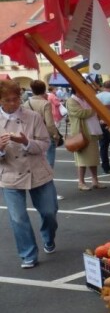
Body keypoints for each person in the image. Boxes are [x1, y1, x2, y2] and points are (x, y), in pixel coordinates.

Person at [0, 80, 58, 268]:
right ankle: (28, 254)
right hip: (10, 173)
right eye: (7, 100)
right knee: (18, 217)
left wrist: (26, 142)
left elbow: (44, 143)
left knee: (49, 212)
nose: (13, 103)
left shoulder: (32, 116)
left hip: (37, 170)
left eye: (16, 99)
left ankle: (48, 237)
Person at [66, 88, 107, 190]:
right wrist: (95, 109)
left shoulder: (86, 99)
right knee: (82, 160)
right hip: (81, 134)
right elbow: (80, 113)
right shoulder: (71, 101)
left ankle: (95, 181)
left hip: (92, 131)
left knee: (93, 159)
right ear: (76, 90)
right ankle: (81, 182)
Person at [26, 80, 63, 169]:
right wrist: (56, 135)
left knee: (35, 160)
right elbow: (50, 123)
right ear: (44, 90)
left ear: (32, 90)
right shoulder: (45, 103)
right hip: (45, 133)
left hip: (31, 134)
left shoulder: (26, 103)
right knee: (49, 161)